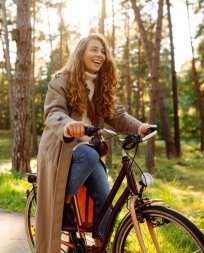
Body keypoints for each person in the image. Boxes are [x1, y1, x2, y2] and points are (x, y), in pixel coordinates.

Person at [35, 34, 150, 253]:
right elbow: (53, 111)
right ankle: (64, 208)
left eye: (103, 51)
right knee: (90, 155)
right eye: (94, 50)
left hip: (88, 150)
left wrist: (139, 127)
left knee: (104, 196)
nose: (100, 55)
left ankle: (101, 244)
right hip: (62, 147)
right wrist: (68, 124)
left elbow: (117, 115)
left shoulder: (101, 85)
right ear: (81, 53)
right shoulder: (62, 80)